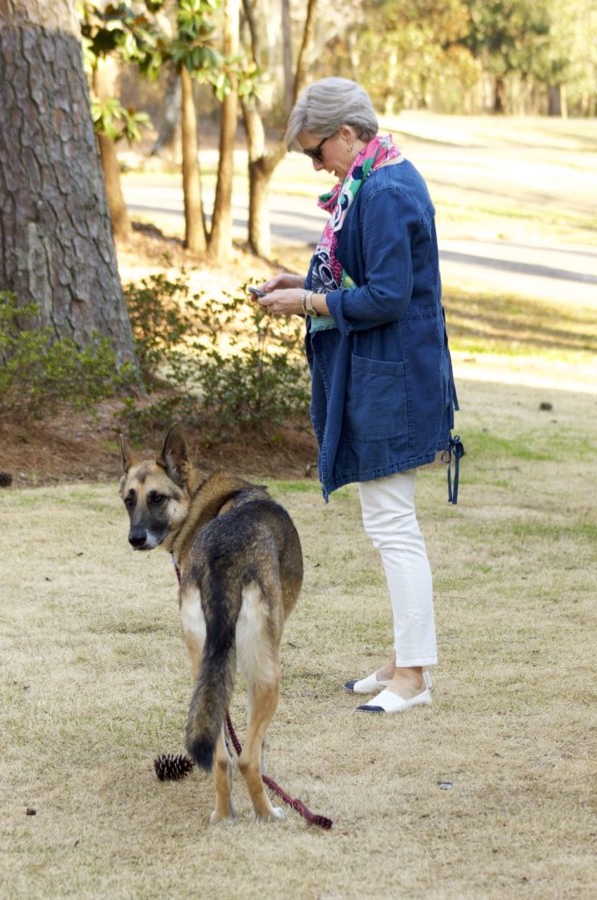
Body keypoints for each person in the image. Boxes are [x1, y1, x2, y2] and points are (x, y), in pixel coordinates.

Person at [253, 77, 460, 715]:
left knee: (394, 525)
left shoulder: (388, 190)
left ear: (349, 134)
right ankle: (403, 657)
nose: (316, 165)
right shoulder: (368, 181)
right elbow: (362, 275)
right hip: (380, 373)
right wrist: (301, 280)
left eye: (317, 152)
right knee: (385, 522)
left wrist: (310, 301)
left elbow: (390, 296)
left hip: (395, 378)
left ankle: (416, 676)